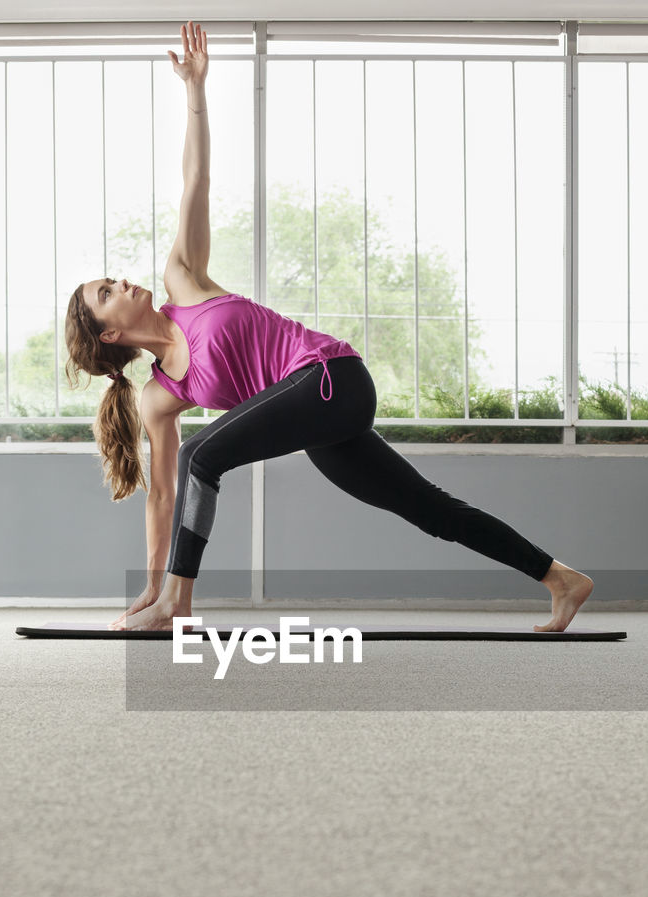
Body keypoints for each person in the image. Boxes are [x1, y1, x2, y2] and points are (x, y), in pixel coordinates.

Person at [64, 20, 594, 634]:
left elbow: (195, 182)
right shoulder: (159, 397)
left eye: (112, 278)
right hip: (318, 419)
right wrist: (150, 582)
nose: (121, 282)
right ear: (109, 335)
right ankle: (561, 579)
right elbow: (162, 499)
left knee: (205, 454)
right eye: (107, 293)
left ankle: (180, 607)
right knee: (426, 508)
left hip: (331, 378)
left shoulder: (185, 281)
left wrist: (195, 93)